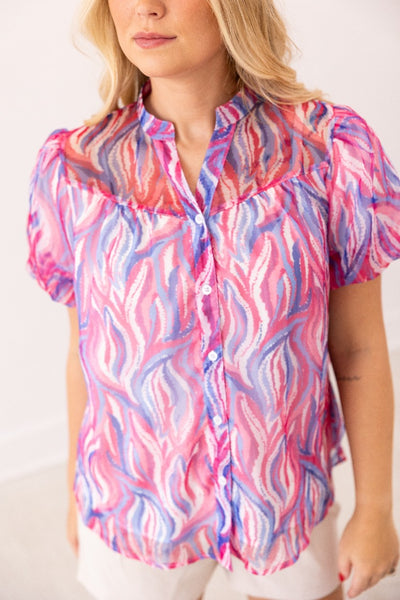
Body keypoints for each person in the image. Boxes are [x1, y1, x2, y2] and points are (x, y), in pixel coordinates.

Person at [26, 1, 400, 599]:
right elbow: (85, 352)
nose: (146, 7)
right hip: (136, 509)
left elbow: (358, 348)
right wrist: (77, 489)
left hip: (284, 499)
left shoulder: (324, 152)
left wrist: (376, 507)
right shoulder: (79, 172)